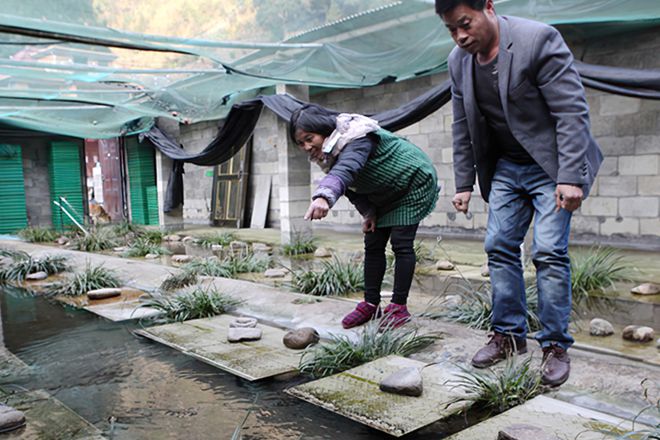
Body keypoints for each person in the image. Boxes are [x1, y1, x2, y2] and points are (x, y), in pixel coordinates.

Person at [436, 0, 603, 386]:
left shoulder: (537, 40)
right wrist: (464, 183)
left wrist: (571, 177)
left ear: (488, 7)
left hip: (551, 165)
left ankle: (555, 346)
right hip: (507, 167)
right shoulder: (457, 62)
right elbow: (463, 124)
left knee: (547, 250)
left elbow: (571, 112)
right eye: (451, 30)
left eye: (465, 24)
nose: (460, 36)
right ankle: (509, 336)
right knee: (498, 245)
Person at [289, 104, 439, 329]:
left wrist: (323, 197)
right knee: (373, 242)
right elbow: (352, 186)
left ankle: (399, 307)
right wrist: (368, 212)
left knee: (401, 244)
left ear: (324, 129)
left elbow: (348, 169)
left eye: (309, 138)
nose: (307, 147)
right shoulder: (328, 155)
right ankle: (371, 304)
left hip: (413, 182)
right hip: (384, 191)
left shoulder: (357, 136)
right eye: (301, 143)